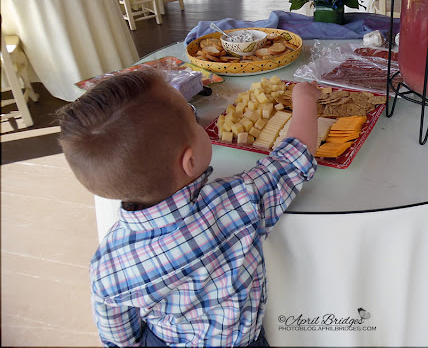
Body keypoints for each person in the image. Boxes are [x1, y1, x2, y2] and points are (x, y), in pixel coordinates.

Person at [56, 68, 320, 347]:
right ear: (189, 161)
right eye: (195, 121)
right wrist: (304, 98)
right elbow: (295, 155)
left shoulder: (107, 265)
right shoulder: (238, 201)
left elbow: (119, 338)